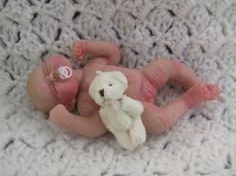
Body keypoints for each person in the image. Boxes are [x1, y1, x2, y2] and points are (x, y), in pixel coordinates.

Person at [27, 40, 220, 137]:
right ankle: (188, 99)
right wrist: (67, 121)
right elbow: (96, 129)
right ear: (68, 104)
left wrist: (88, 47)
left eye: (46, 69)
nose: (52, 76)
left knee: (168, 65)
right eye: (54, 89)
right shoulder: (86, 105)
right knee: (156, 123)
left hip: (146, 78)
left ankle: (197, 83)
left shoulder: (91, 66)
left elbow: (113, 53)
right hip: (139, 111)